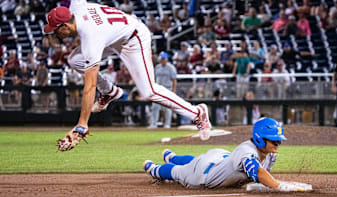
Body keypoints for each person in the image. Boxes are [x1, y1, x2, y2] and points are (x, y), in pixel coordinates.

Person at [45, 1, 212, 151]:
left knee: (149, 91)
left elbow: (90, 85)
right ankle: (110, 91)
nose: (54, 33)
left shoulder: (90, 37)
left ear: (65, 25)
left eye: (55, 29)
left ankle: (197, 113)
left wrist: (82, 124)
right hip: (113, 36)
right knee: (74, 60)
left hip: (134, 38)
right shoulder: (76, 7)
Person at [143, 117, 309, 192]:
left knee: (193, 161)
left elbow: (259, 175)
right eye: (274, 141)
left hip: (221, 159)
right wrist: (279, 186)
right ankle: (154, 169)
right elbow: (257, 172)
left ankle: (172, 157)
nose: (277, 144)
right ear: (259, 138)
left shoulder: (271, 154)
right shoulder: (247, 151)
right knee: (177, 172)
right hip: (203, 175)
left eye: (278, 141)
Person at [148, 52, 177, 129]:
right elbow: (154, 78)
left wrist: (173, 91)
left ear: (167, 59)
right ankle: (154, 124)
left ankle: (167, 124)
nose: (162, 60)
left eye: (163, 59)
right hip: (158, 89)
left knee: (167, 107)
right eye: (161, 59)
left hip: (167, 89)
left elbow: (174, 80)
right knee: (155, 107)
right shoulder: (157, 67)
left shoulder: (171, 68)